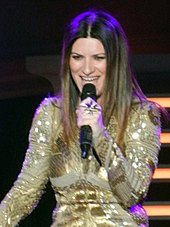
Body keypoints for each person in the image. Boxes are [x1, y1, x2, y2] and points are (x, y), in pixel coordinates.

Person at [0, 9, 161, 227]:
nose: (87, 69)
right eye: (77, 57)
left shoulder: (142, 114)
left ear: (115, 62)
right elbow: (26, 189)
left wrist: (100, 135)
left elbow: (132, 194)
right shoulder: (51, 113)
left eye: (98, 58)